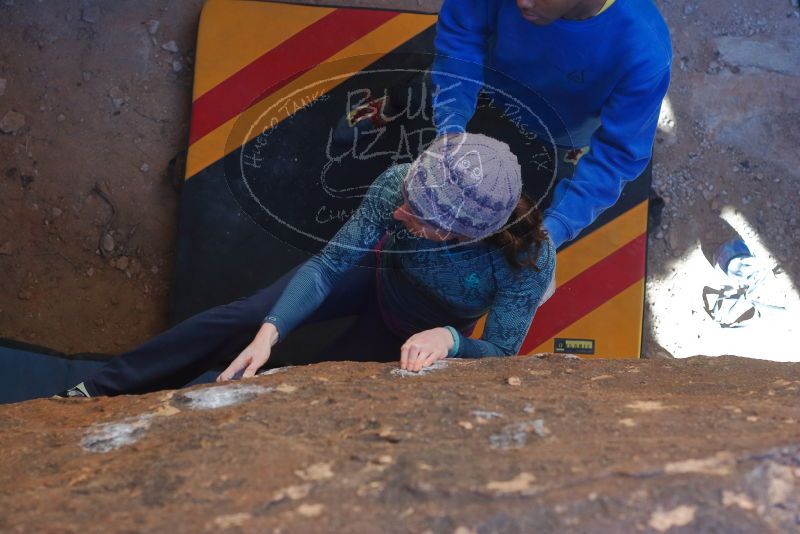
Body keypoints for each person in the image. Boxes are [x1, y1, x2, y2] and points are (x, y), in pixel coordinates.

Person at [59, 134, 555, 398]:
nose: (400, 213)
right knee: (246, 319)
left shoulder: (525, 262)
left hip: (420, 331)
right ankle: (97, 388)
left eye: (418, 217)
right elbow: (330, 264)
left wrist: (451, 340)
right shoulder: (401, 183)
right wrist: (270, 329)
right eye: (407, 198)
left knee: (319, 383)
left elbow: (501, 352)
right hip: (375, 277)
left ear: (463, 232)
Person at [428, 0, 672, 250]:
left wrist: (553, 229)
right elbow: (462, 33)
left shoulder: (644, 54)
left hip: (558, 138)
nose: (522, 2)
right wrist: (451, 122)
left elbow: (616, 156)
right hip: (485, 91)